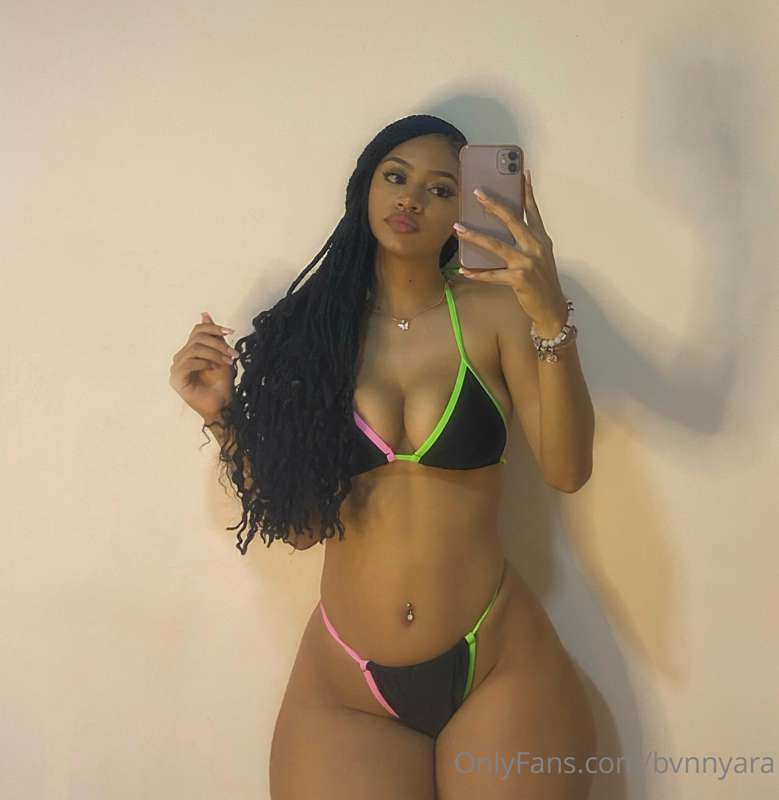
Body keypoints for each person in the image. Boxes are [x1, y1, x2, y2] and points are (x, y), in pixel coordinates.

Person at [169, 114, 597, 799]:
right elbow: (302, 527)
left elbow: (567, 471)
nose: (411, 199)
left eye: (440, 189)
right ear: (365, 187)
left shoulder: (496, 315)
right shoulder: (311, 334)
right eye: (395, 177)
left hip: (497, 662)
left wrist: (549, 319)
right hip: (346, 688)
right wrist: (222, 418)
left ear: (464, 210)